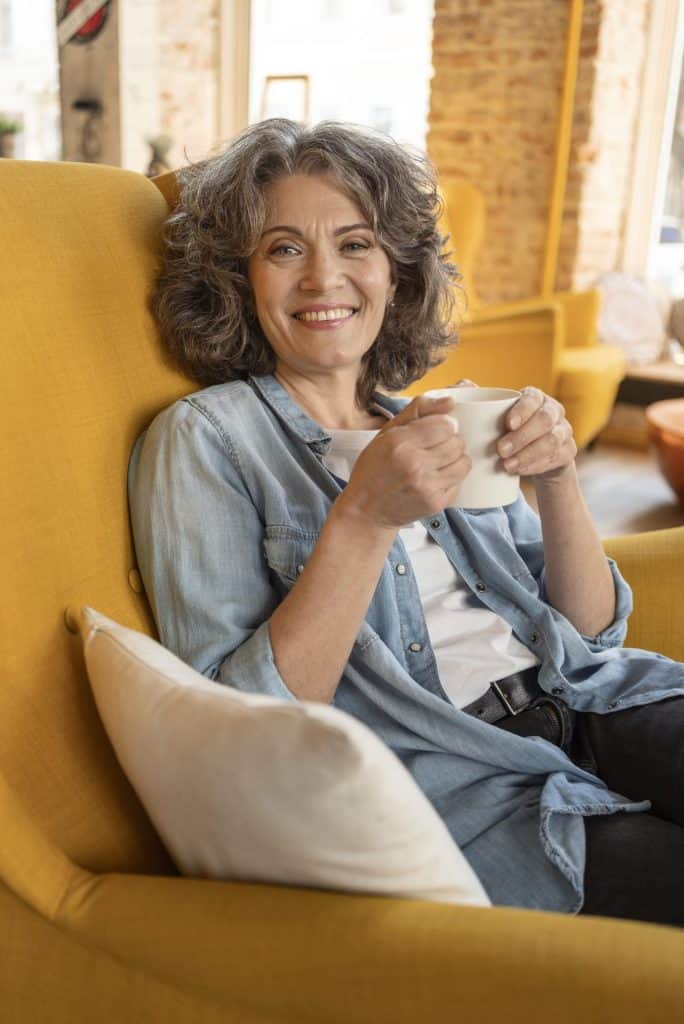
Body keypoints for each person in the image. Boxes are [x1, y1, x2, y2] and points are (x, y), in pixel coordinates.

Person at [128, 118, 684, 927]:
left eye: (355, 244)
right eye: (285, 249)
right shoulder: (206, 441)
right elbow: (240, 728)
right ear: (237, 277)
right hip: (466, 775)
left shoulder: (436, 417)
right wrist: (362, 518)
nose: (325, 277)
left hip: (595, 698)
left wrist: (561, 478)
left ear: (395, 272)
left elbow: (589, 638)